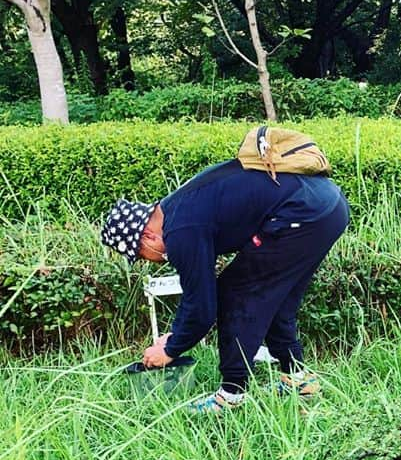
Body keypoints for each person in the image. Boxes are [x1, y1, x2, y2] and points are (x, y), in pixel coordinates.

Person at [100, 158, 350, 413]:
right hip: (328, 206)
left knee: (234, 293)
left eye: (141, 254)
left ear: (148, 236)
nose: (147, 261)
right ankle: (298, 380)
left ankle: (231, 395)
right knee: (278, 299)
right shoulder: (179, 209)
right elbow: (199, 297)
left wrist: (171, 348)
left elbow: (202, 305)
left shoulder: (179, 231)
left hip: (303, 212)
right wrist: (176, 337)